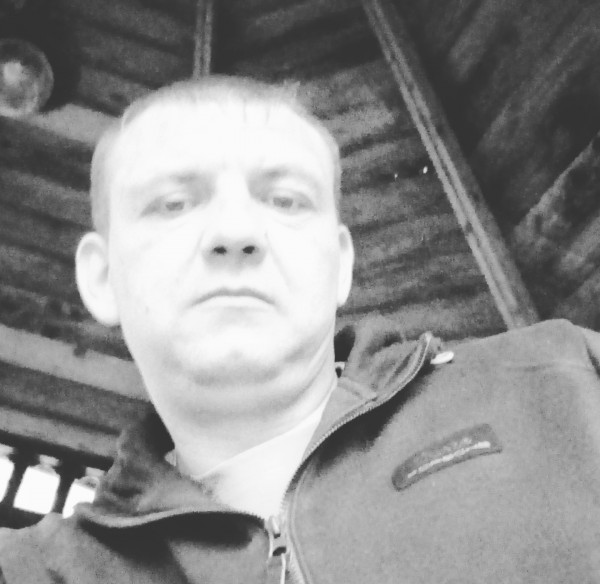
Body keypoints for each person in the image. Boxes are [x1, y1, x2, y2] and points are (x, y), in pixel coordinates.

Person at [2, 75, 600, 583]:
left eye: (286, 200)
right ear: (101, 277)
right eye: (173, 203)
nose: (235, 232)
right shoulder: (35, 569)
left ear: (340, 265)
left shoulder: (567, 380)